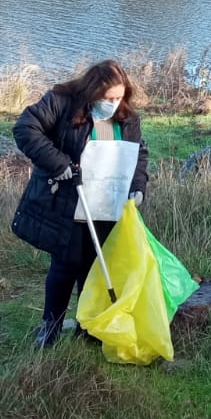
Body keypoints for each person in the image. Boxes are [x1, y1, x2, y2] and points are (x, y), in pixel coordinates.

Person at [12, 59, 150, 349]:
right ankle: (51, 326)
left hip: (107, 204)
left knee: (94, 266)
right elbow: (25, 128)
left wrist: (137, 188)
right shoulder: (61, 102)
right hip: (69, 200)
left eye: (118, 97)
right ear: (92, 93)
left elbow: (138, 156)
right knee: (65, 264)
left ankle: (88, 326)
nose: (113, 103)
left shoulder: (128, 118)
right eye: (107, 98)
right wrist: (58, 162)